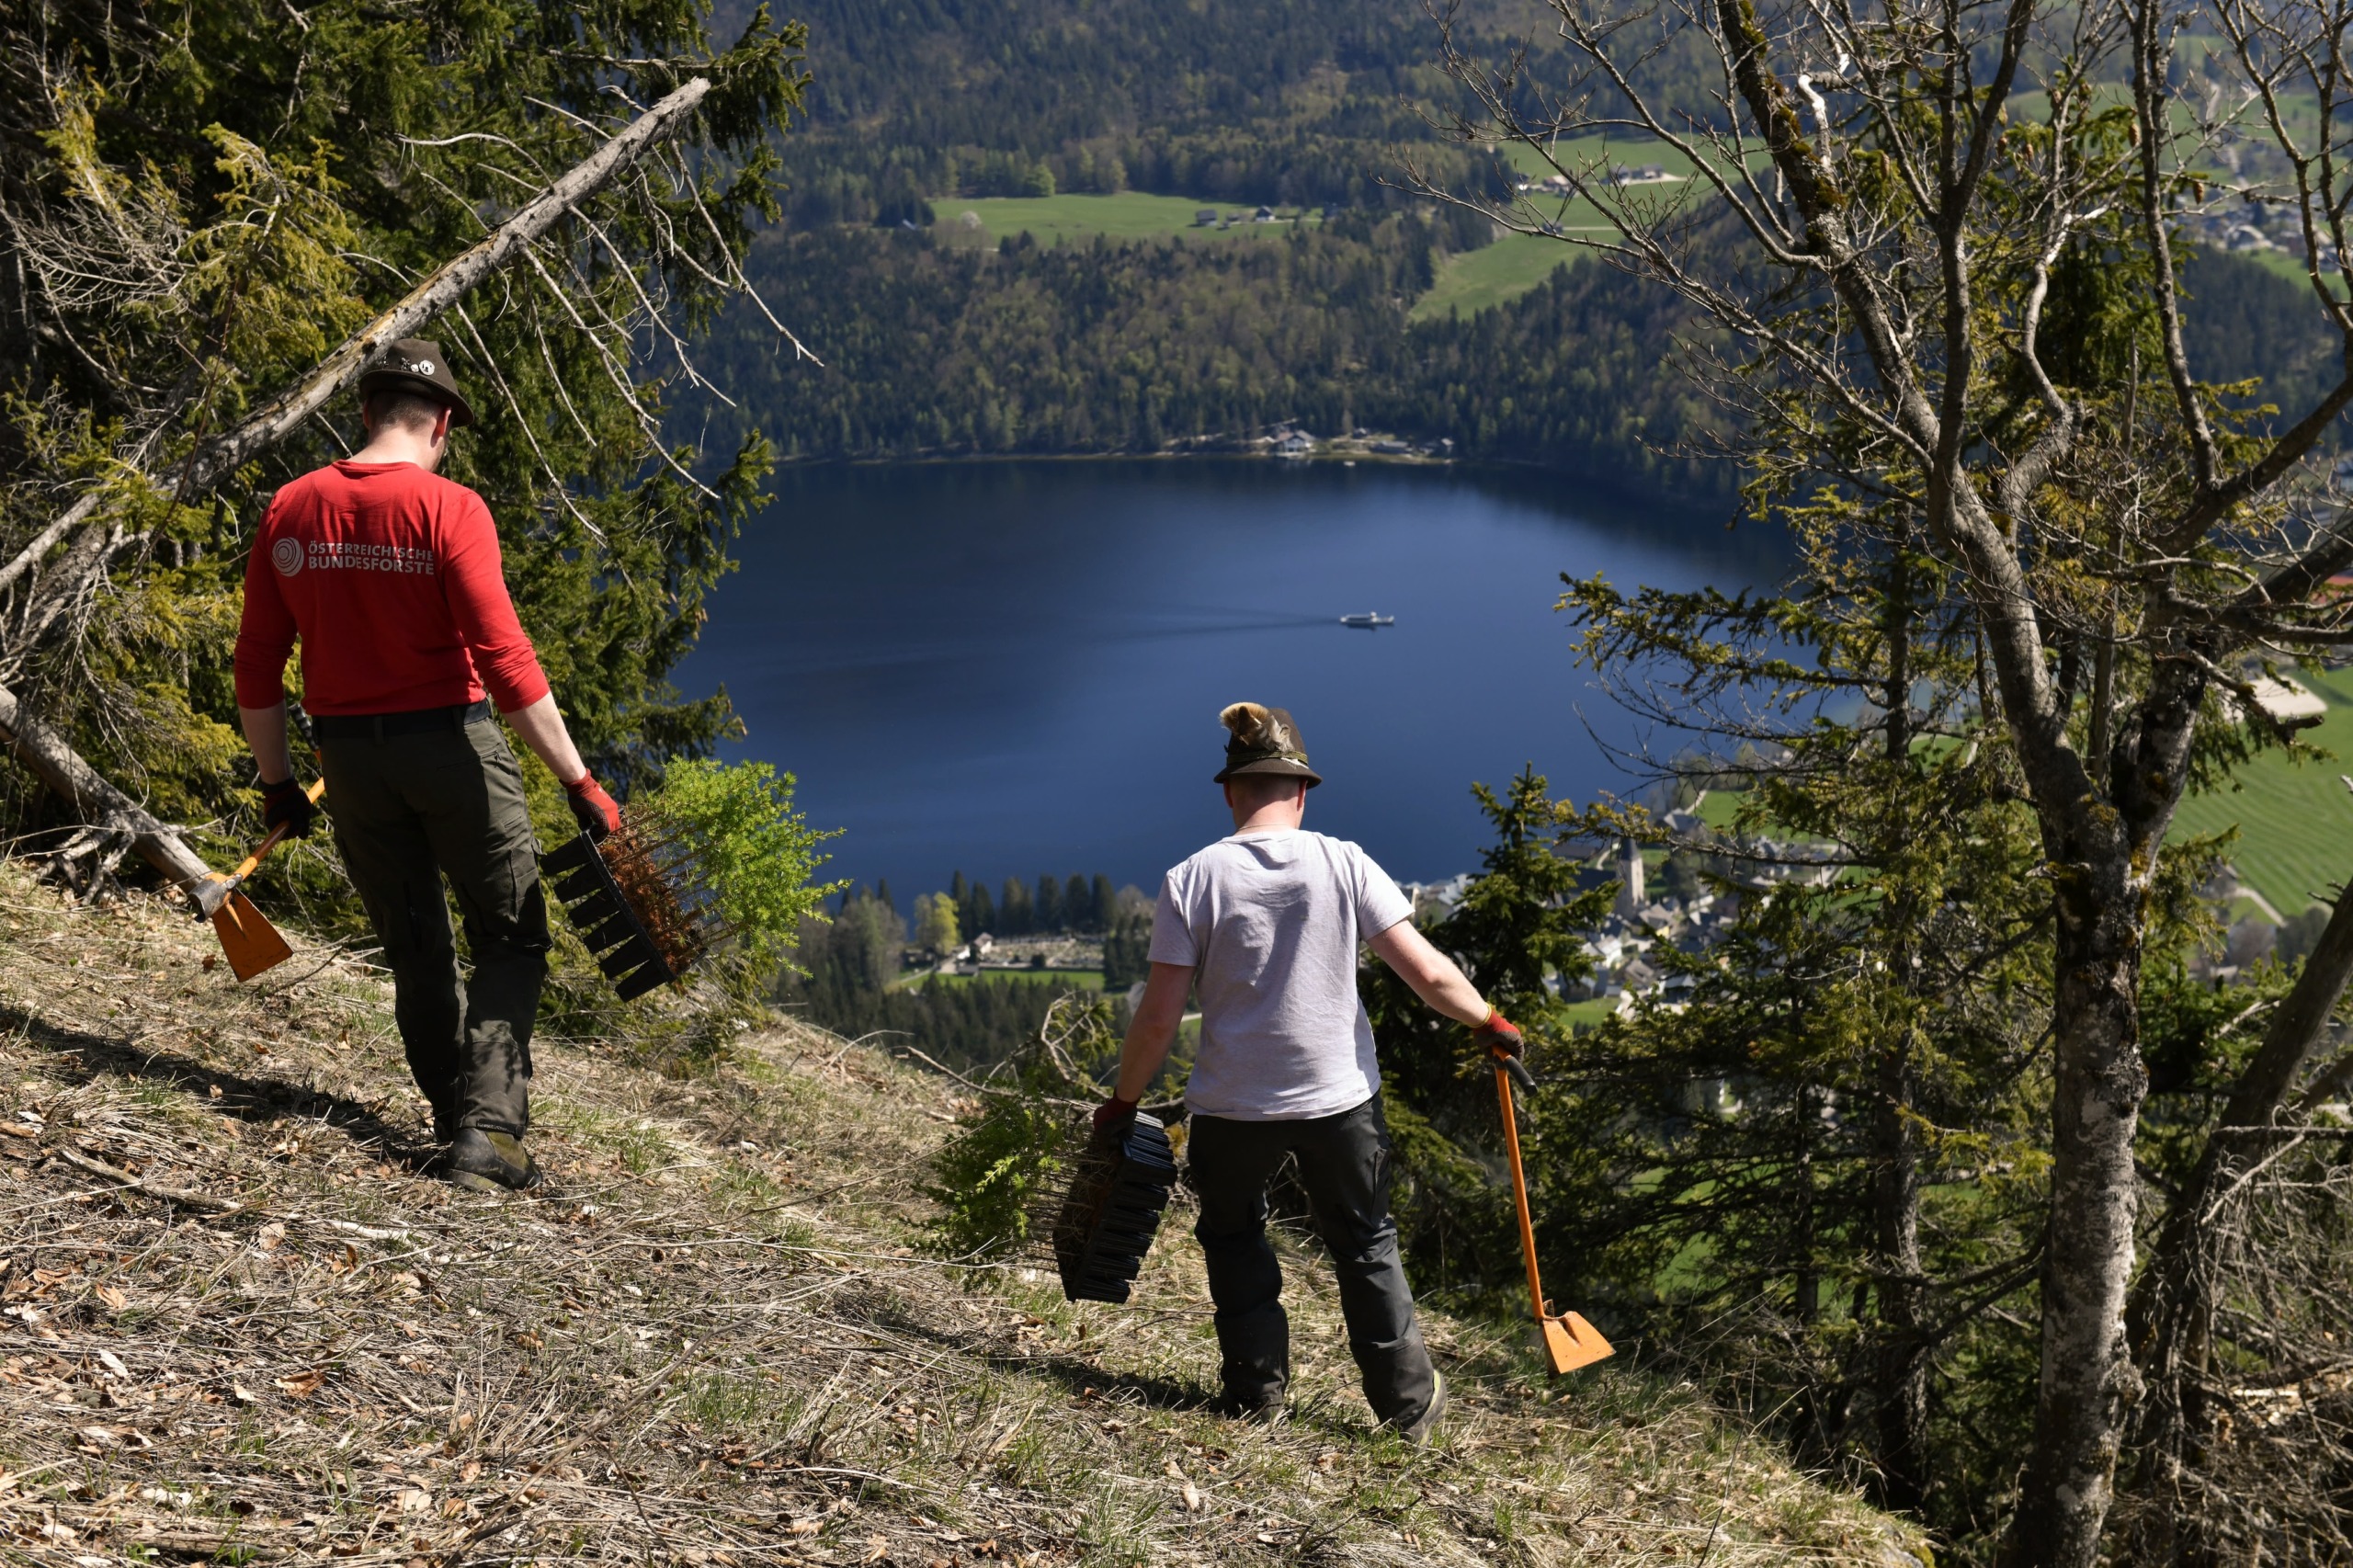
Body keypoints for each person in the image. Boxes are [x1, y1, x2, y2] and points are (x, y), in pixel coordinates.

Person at [232, 338, 620, 1193]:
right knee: (510, 935)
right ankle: (488, 1133)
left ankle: (453, 1121)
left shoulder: (292, 508)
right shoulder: (451, 510)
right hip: (453, 750)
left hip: (351, 761)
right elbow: (508, 662)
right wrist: (580, 782)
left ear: (367, 415)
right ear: (441, 424)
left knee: (414, 943)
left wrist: (279, 784)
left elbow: (257, 664)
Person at [1094, 702, 1524, 1444]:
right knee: (1365, 1243)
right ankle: (1408, 1414)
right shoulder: (1344, 861)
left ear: (1230, 791)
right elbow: (1425, 974)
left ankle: (1256, 1397)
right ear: (1300, 792)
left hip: (1231, 1106)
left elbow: (1159, 1018)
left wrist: (1122, 1102)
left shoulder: (1191, 878)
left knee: (1234, 1240)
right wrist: (1490, 1021)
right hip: (1340, 1101)